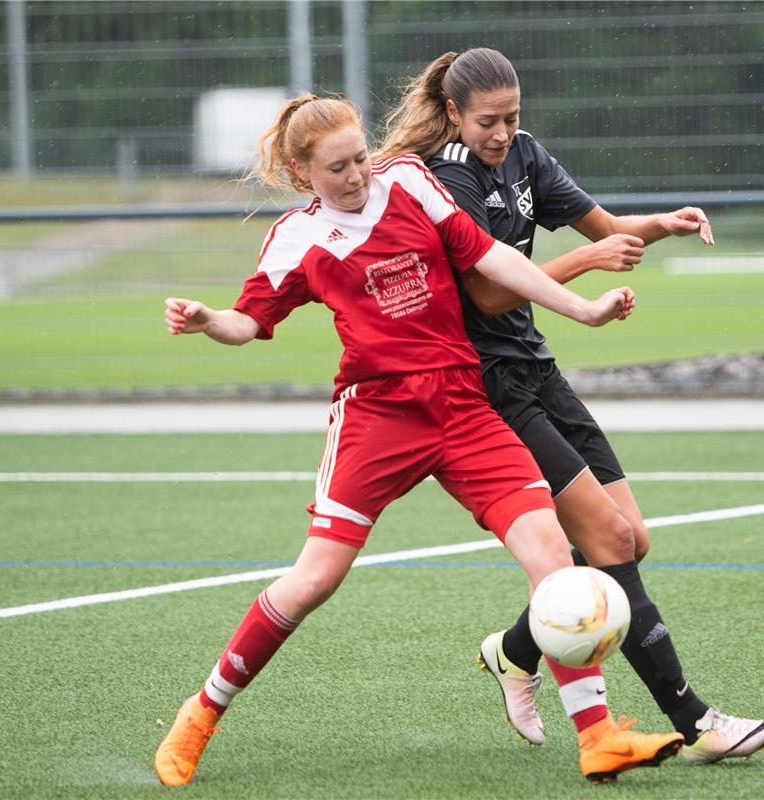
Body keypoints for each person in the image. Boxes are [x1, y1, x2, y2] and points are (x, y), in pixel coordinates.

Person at [153, 93, 685, 788]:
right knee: (315, 579)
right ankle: (201, 712)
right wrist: (207, 319)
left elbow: (491, 256)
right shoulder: (297, 237)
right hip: (379, 417)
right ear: (300, 169)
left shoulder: (405, 179)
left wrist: (581, 309)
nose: (356, 176)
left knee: (551, 552)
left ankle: (598, 737)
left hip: (463, 406)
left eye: (359, 159)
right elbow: (249, 322)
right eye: (337, 168)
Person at [377, 48, 764, 764]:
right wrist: (584, 267)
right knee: (610, 544)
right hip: (489, 387)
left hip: (538, 371)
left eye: (512, 118)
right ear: (452, 115)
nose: (501, 133)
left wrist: (665, 221)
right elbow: (491, 292)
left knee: (630, 537)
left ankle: (511, 651)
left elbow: (604, 226)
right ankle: (697, 722)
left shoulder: (525, 156)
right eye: (487, 122)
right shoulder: (447, 177)